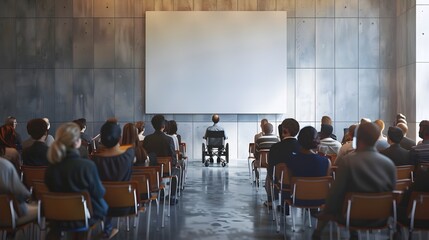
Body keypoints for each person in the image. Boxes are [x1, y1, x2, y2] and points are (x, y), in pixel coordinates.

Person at [312, 122, 396, 239]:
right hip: (381, 218)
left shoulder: (348, 162)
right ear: (377, 138)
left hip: (351, 217)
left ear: (358, 137)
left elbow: (336, 193)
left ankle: (317, 234)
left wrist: (326, 211)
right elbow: (392, 193)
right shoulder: (389, 164)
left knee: (333, 202)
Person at [44, 122, 108, 238]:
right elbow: (99, 192)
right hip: (83, 217)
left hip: (57, 216)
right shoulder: (87, 166)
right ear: (77, 142)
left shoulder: (51, 168)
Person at [90, 121, 135, 237]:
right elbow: (129, 149)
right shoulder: (129, 155)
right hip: (125, 205)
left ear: (102, 139)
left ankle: (107, 228)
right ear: (119, 138)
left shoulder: (95, 159)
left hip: (100, 206)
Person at [286, 126, 331, 205]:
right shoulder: (326, 161)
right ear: (316, 140)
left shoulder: (291, 160)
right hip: (321, 200)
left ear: (299, 139)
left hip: (298, 199)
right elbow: (326, 185)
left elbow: (290, 182)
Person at [143, 114, 180, 205]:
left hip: (151, 169)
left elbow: (144, 155)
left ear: (153, 125)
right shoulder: (169, 139)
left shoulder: (147, 139)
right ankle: (172, 196)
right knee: (176, 171)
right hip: (166, 170)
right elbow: (173, 157)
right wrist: (174, 163)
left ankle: (160, 193)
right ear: (163, 126)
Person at [264, 118, 300, 210]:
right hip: (300, 184)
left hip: (281, 184)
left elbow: (271, 170)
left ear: (284, 130)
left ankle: (271, 201)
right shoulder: (301, 147)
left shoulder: (275, 148)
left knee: (269, 177)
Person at [0, 146, 38, 230]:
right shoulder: (6, 166)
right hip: (10, 215)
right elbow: (22, 192)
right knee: (38, 208)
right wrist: (30, 195)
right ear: (2, 150)